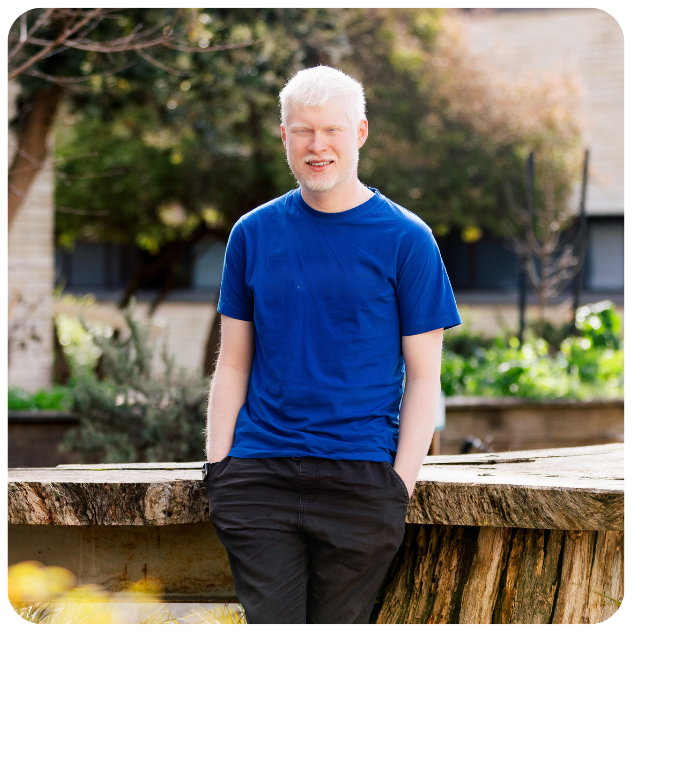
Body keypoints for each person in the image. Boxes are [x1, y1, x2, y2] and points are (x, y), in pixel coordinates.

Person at [204, 65, 461, 624]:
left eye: (332, 131)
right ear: (285, 138)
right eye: (303, 131)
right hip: (259, 475)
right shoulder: (252, 233)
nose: (317, 146)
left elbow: (424, 376)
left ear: (360, 133)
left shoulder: (407, 240)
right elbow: (233, 363)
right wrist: (219, 470)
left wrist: (399, 487)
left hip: (361, 479)